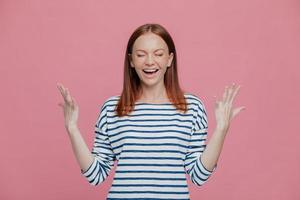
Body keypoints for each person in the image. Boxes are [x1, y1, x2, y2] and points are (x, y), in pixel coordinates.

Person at [57, 23, 245, 200]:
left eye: (158, 54)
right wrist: (72, 129)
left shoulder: (192, 107)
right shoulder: (112, 108)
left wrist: (221, 130)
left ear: (169, 59)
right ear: (131, 60)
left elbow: (199, 175)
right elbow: (95, 175)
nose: (149, 61)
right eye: (140, 55)